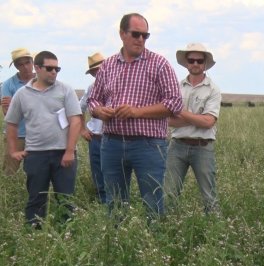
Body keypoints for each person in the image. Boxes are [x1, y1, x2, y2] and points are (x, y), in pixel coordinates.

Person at [87, 13, 183, 219]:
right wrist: (99, 111)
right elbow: (93, 100)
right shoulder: (108, 65)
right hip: (111, 143)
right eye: (136, 34)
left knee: (153, 201)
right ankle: (116, 244)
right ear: (122, 34)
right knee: (114, 202)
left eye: (145, 35)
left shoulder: (159, 64)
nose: (140, 39)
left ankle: (153, 248)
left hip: (147, 145)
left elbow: (175, 102)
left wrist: (136, 112)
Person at [5, 51, 82, 227]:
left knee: (65, 200)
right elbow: (11, 123)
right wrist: (13, 151)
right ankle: (34, 235)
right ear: (38, 68)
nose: (54, 72)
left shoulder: (65, 90)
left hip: (64, 155)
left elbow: (75, 120)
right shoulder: (22, 94)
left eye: (57, 68)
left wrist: (70, 151)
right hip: (35, 155)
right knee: (36, 199)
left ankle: (66, 236)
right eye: (49, 68)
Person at [165, 43, 222, 214]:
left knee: (209, 196)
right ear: (186, 63)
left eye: (199, 60)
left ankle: (215, 231)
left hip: (202, 146)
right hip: (177, 145)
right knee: (168, 194)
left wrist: (181, 113)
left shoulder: (213, 89)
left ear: (205, 63)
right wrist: (196, 118)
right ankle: (166, 231)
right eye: (191, 60)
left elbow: (209, 122)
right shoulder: (176, 86)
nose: (195, 63)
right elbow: (167, 120)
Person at [1, 48, 36, 175]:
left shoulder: (42, 81)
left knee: (37, 173)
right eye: (21, 64)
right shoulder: (8, 85)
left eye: (28, 62)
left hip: (39, 136)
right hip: (16, 136)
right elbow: (8, 114)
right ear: (16, 66)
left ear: (33, 63)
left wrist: (16, 105)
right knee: (9, 172)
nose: (26, 67)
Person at [80, 52, 106, 203]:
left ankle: (116, 203)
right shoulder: (91, 88)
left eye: (100, 69)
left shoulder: (118, 85)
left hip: (112, 137)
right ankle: (103, 202)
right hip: (95, 138)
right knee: (98, 172)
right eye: (95, 72)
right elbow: (79, 109)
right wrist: (82, 130)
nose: (98, 73)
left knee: (115, 172)